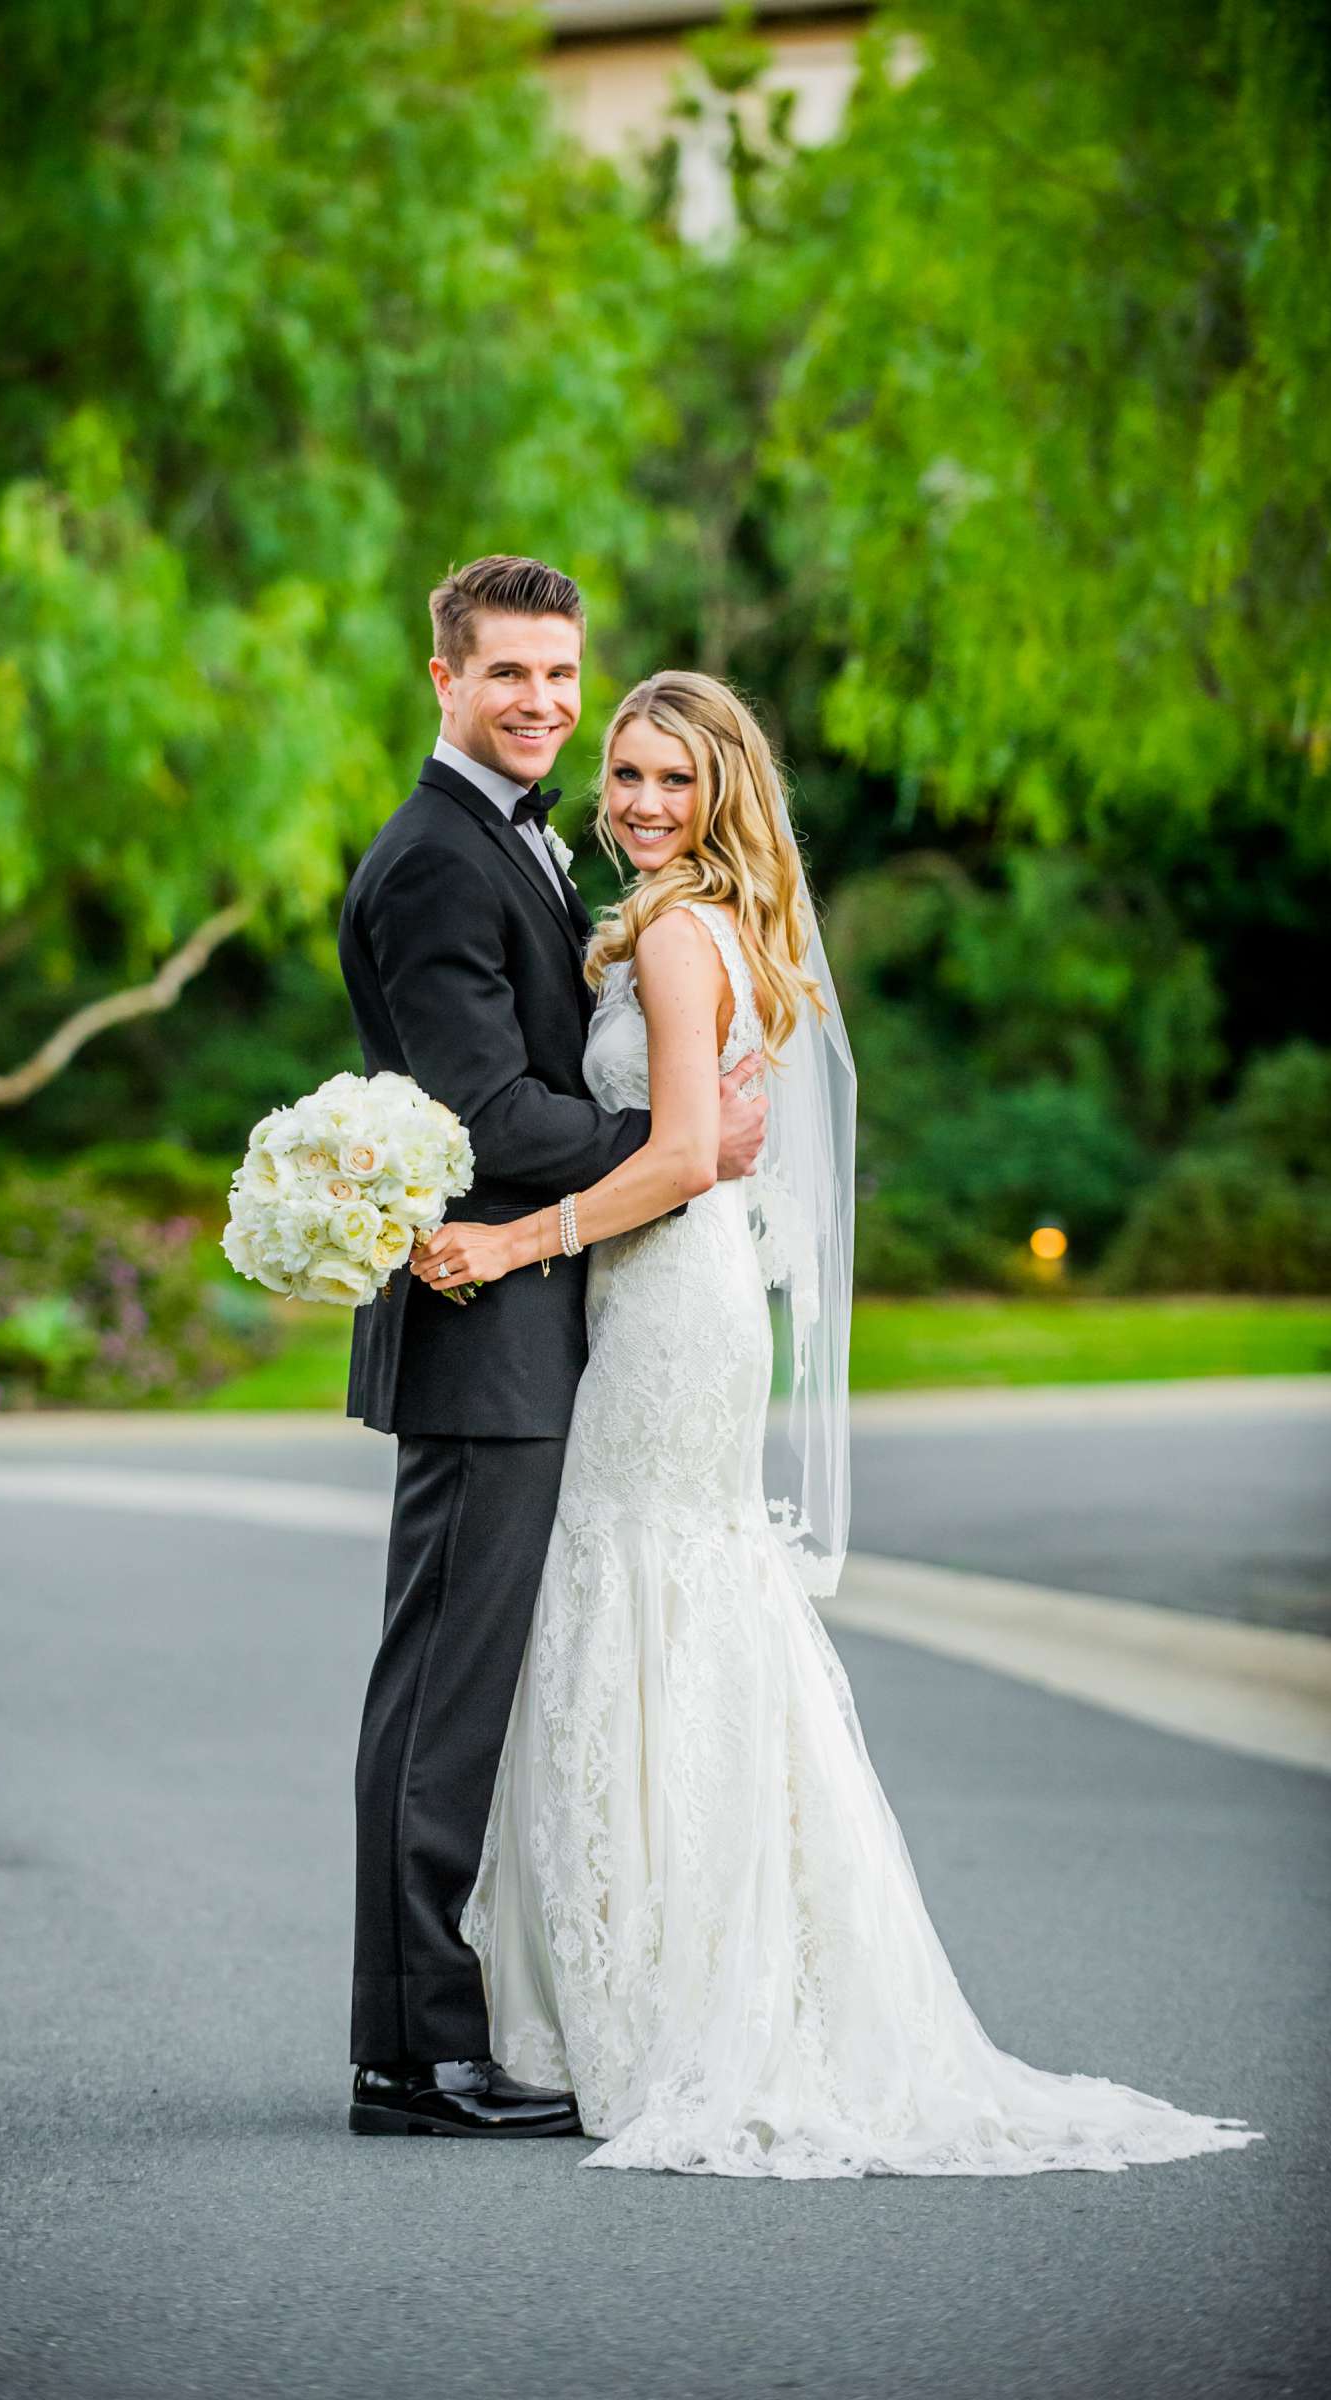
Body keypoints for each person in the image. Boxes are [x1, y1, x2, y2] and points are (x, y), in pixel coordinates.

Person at [413, 668, 1265, 2179]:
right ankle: (691, 1974)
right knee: (670, 1613)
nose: (641, 803)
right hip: (676, 1304)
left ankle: (676, 1998)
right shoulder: (690, 926)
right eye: (627, 774)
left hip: (669, 1309)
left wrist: (508, 1242)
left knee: (642, 1609)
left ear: (727, 792)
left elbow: (681, 1154)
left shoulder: (681, 936)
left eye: (675, 779)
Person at [336, 560, 769, 2137]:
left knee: (469, 1692)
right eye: (509, 673)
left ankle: (445, 2034)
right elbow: (488, 1116)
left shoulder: (515, 845)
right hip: (485, 1331)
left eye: (561, 675)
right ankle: (416, 2057)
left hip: (548, 1329)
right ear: (442, 676)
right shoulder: (439, 862)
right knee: (443, 1701)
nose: (543, 704)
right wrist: (669, 1139)